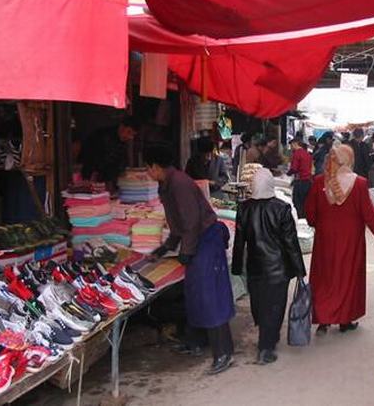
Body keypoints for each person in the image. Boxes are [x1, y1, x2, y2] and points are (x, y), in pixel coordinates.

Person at [146, 144, 235, 375]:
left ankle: (224, 352)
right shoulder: (166, 185)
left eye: (148, 168)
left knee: (210, 295)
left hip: (206, 240)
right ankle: (196, 341)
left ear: (156, 167)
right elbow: (178, 223)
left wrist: (186, 250)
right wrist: (166, 247)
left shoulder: (179, 184)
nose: (148, 173)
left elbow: (192, 222)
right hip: (196, 241)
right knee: (195, 293)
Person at [305, 144, 374, 335]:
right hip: (351, 240)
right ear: (349, 160)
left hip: (325, 239)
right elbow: (370, 215)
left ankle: (323, 321)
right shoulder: (359, 183)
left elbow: (310, 213)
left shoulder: (320, 182)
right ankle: (344, 320)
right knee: (348, 277)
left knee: (325, 278)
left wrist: (320, 224)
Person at [232, 168, 306, 364]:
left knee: (259, 304)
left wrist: (237, 268)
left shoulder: (244, 208)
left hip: (255, 266)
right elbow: (290, 243)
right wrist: (299, 270)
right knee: (274, 306)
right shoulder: (281, 208)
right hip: (278, 268)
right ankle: (266, 347)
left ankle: (268, 338)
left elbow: (240, 242)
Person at [79, 116, 140, 189]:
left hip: (111, 179)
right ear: (121, 127)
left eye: (132, 135)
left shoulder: (122, 141)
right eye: (129, 132)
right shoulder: (102, 136)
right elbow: (92, 159)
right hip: (93, 177)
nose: (130, 137)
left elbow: (122, 162)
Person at [288, 137, 313, 218]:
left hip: (300, 181)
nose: (291, 147)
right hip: (308, 181)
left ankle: (300, 218)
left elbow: (294, 169)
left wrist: (288, 173)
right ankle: (305, 218)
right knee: (305, 202)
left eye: (291, 145)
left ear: (295, 144)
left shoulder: (297, 153)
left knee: (297, 202)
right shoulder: (307, 154)